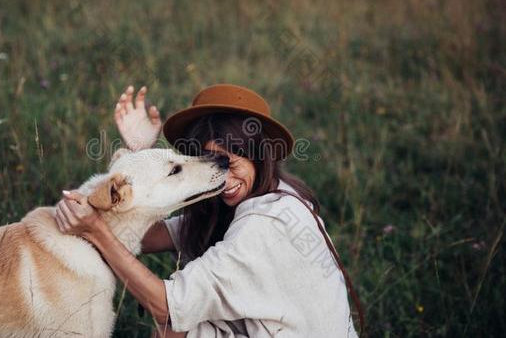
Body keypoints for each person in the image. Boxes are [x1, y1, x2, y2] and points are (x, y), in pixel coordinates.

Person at [56, 84, 360, 337]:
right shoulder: (263, 196)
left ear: (257, 156)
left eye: (230, 162)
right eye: (212, 164)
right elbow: (145, 236)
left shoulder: (263, 228)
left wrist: (95, 229)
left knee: (173, 327)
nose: (223, 178)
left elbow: (166, 305)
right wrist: (141, 160)